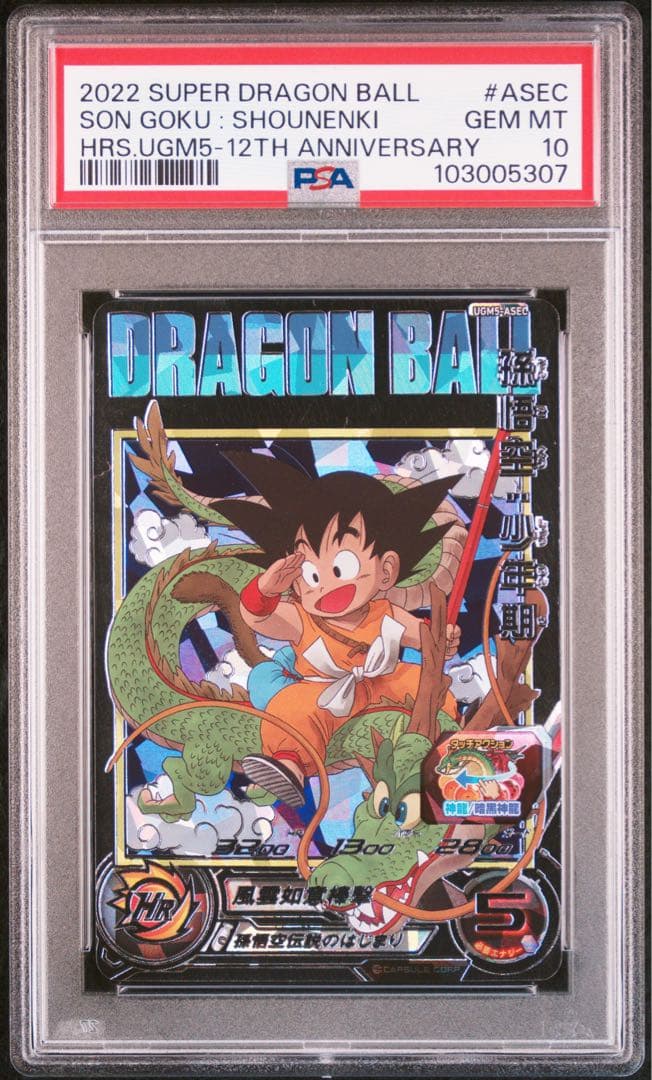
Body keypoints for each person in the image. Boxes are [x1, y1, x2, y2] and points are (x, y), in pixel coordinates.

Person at [213, 453, 461, 806]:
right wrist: (266, 589)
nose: (326, 585)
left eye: (342, 567)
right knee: (290, 708)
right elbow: (257, 617)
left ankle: (445, 752)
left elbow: (425, 639)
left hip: (384, 684)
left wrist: (443, 641)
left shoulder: (386, 613)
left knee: (431, 687)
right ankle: (289, 766)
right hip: (323, 693)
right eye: (312, 575)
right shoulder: (301, 618)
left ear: (386, 570)